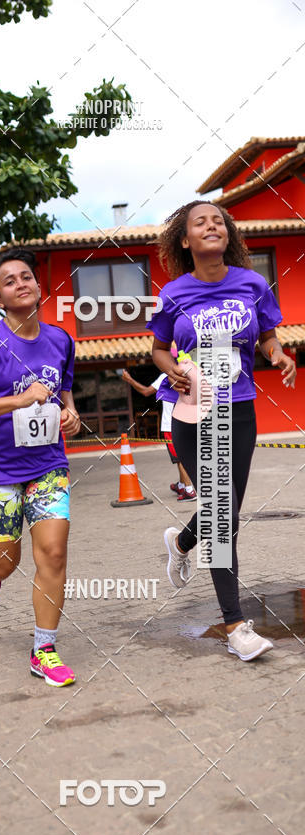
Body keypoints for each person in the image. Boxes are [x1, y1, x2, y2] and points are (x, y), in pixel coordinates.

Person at [149, 200, 296, 662]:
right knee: (219, 517)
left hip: (240, 409)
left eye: (219, 221)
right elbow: (157, 349)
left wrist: (277, 354)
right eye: (200, 223)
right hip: (193, 412)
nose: (212, 226)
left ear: (228, 235)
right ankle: (235, 625)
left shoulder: (252, 284)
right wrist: (171, 369)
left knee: (225, 512)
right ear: (186, 240)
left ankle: (181, 541)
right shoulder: (174, 293)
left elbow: (267, 334)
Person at [0, 247, 81, 687]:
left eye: (27, 276)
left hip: (47, 466)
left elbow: (64, 396)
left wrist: (71, 415)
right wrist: (17, 400)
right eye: (10, 281)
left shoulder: (61, 341)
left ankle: (43, 649)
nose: (22, 283)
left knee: (54, 553)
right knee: (5, 561)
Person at [120, 366, 196, 501]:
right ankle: (182, 485)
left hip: (171, 423)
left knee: (179, 457)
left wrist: (129, 380)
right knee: (179, 455)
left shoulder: (165, 376)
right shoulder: (190, 375)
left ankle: (189, 490)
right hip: (186, 419)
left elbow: (145, 391)